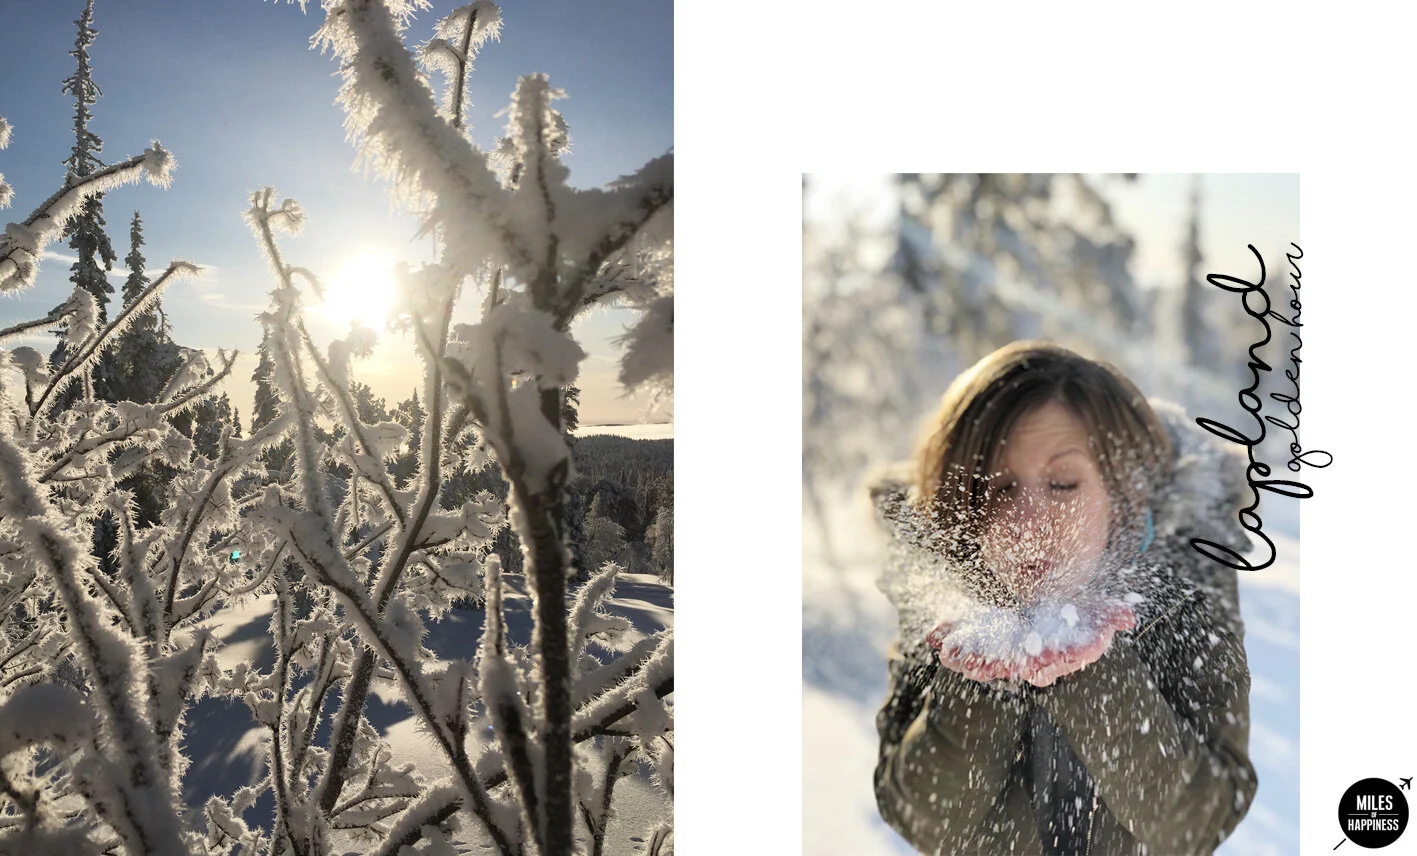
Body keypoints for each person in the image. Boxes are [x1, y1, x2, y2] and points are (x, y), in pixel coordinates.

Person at [871, 342, 1257, 855]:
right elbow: (916, 816)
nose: (1028, 524)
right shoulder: (944, 603)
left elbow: (1197, 822)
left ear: (1124, 495)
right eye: (1001, 489)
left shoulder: (1185, 585)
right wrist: (980, 690)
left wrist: (1095, 674)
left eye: (1062, 483)